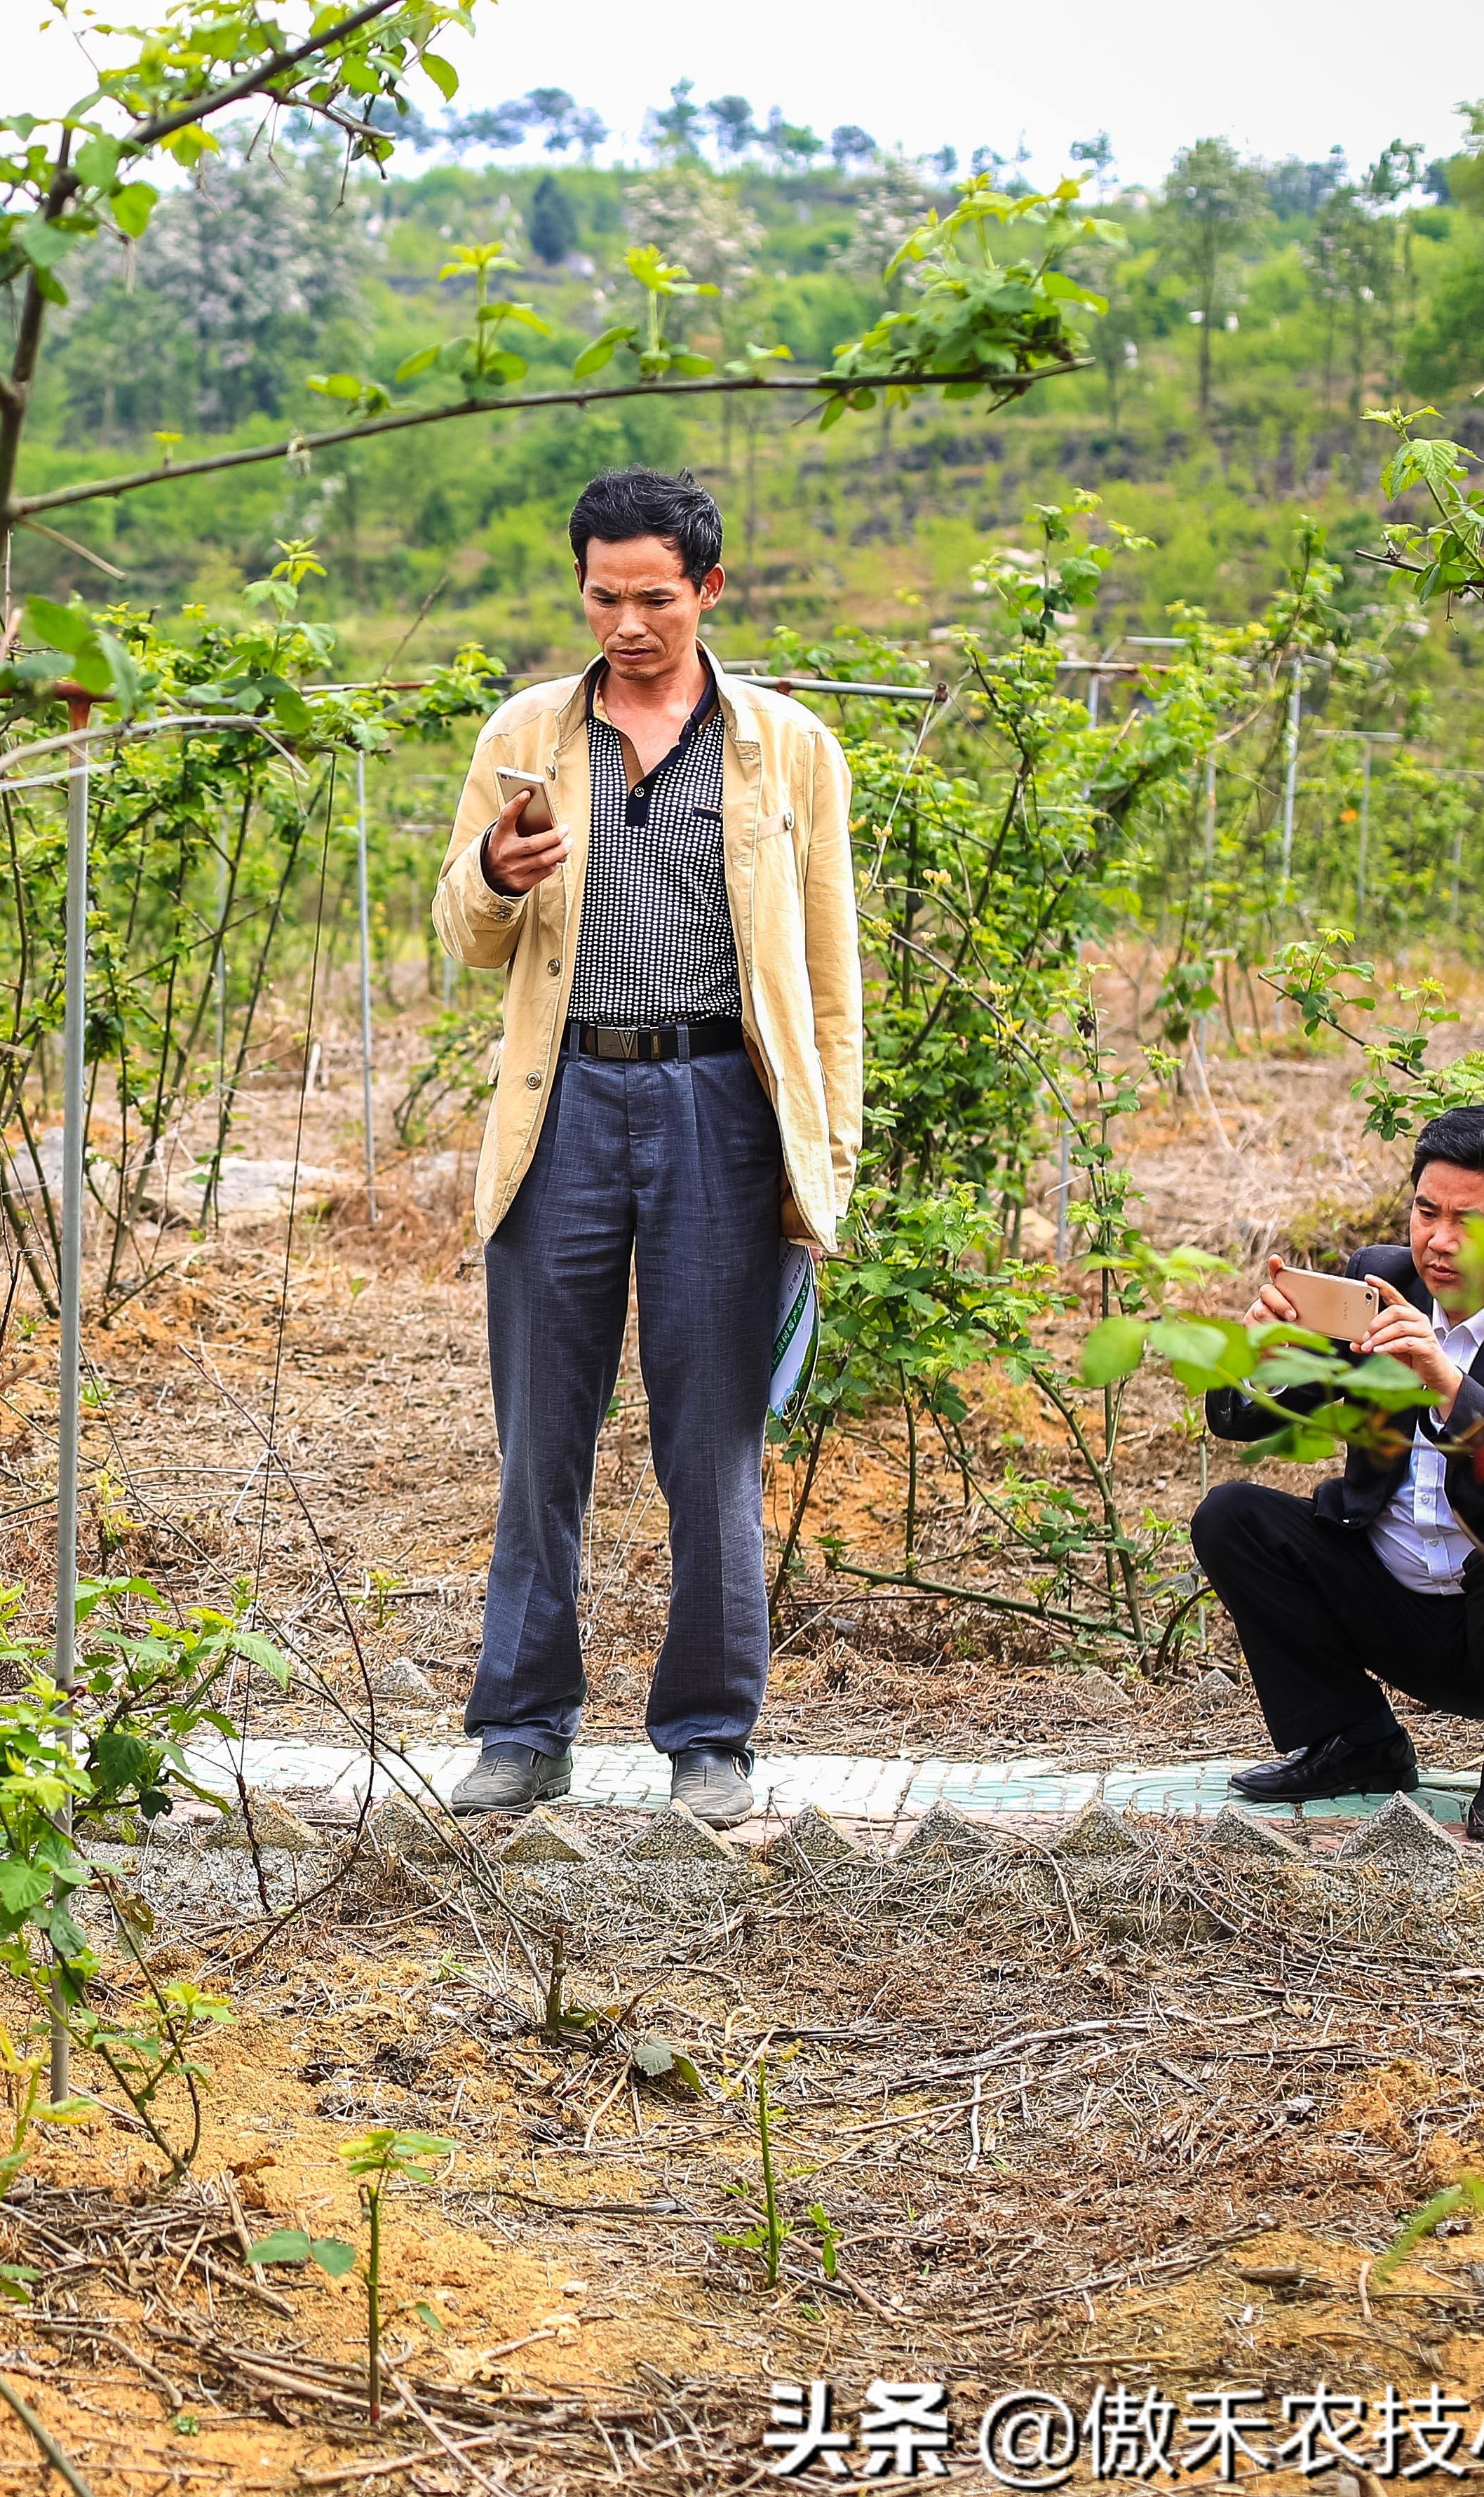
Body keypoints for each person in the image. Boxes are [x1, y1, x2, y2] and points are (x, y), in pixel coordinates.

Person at [429, 469, 862, 1826]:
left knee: (711, 1436)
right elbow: (461, 935)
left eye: (654, 597)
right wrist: (493, 874)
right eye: (602, 596)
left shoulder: (785, 746)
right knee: (539, 1433)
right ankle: (521, 1727)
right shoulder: (524, 731)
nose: (626, 623)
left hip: (718, 1104)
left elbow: (830, 975)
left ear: (708, 590)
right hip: (561, 1100)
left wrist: (826, 1155)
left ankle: (709, 1735)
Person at [1194, 1103, 1484, 1841]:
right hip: (1395, 1602)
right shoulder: (1380, 1283)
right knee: (1231, 1518)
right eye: (1425, 1211)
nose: (1438, 1241)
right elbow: (1242, 1422)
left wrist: (1448, 1386)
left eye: (1468, 1221)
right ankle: (1358, 1744)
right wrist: (1257, 1357)